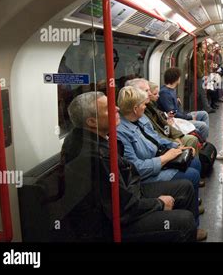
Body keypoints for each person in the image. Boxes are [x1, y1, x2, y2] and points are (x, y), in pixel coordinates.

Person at [62, 92, 197, 242]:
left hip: (129, 192)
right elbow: (122, 208)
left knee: (185, 187)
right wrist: (158, 203)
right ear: (92, 122)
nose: (117, 108)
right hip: (111, 224)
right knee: (185, 221)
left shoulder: (92, 139)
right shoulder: (95, 156)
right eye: (108, 108)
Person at [116, 86, 207, 241]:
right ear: (135, 108)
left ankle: (190, 205)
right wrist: (165, 159)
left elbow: (156, 138)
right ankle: (192, 224)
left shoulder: (141, 119)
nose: (146, 106)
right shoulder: (121, 133)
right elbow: (136, 169)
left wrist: (175, 147)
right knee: (191, 174)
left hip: (158, 157)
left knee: (194, 162)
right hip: (146, 173)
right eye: (143, 105)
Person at [126, 78, 199, 152]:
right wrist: (174, 141)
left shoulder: (151, 106)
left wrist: (176, 136)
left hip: (167, 133)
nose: (151, 94)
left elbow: (164, 125)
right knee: (196, 133)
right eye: (146, 91)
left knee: (195, 134)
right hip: (164, 138)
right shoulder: (141, 112)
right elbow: (155, 134)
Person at [157, 67, 210, 141]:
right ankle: (202, 143)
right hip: (176, 120)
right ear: (176, 78)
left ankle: (202, 139)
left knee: (204, 114)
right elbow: (172, 113)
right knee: (203, 126)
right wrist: (190, 117)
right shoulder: (165, 93)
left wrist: (177, 98)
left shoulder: (171, 89)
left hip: (181, 115)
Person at [192, 41, 215, 113]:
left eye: (205, 48)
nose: (205, 50)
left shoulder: (199, 55)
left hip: (199, 76)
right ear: (199, 48)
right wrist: (201, 75)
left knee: (202, 92)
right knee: (202, 92)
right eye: (203, 48)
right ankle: (206, 108)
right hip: (198, 77)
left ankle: (205, 107)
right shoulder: (198, 55)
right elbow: (197, 67)